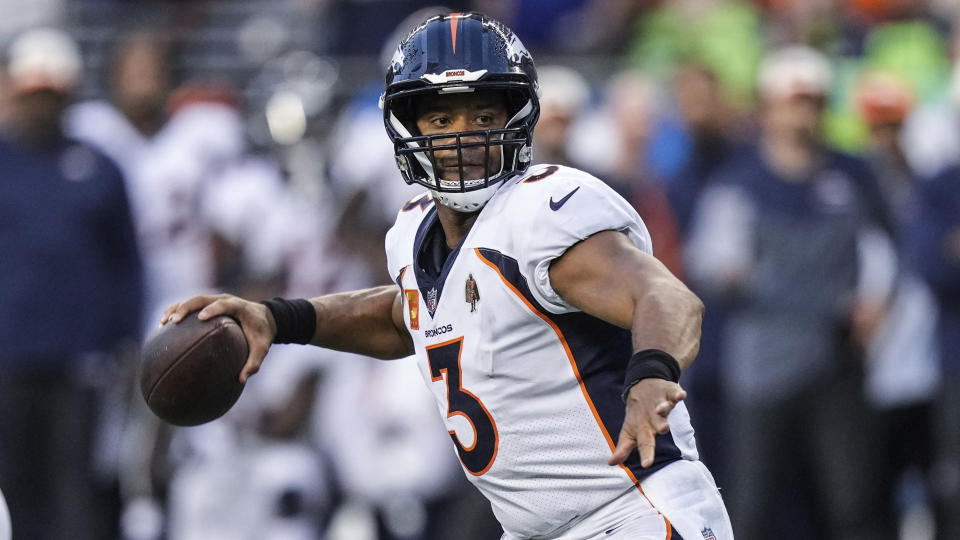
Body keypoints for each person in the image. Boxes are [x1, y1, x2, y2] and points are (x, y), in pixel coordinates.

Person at [162, 12, 732, 540]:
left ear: (518, 118)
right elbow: (403, 313)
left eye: (484, 116)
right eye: (441, 118)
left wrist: (653, 374)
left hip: (634, 514)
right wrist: (278, 318)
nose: (465, 137)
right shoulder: (414, 233)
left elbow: (664, 295)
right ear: (406, 128)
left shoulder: (542, 210)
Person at [685, 45, 893, 540]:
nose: (804, 112)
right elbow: (716, 265)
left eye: (814, 101)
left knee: (855, 503)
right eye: (794, 100)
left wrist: (877, 304)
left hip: (837, 360)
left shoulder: (852, 173)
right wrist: (803, 292)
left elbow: (884, 250)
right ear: (769, 107)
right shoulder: (740, 180)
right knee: (753, 502)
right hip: (763, 365)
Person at [0, 27, 144, 540]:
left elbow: (127, 263)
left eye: (50, 94)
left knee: (75, 488)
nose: (40, 106)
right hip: (8, 357)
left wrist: (126, 342)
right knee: (11, 488)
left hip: (80, 359)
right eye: (31, 93)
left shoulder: (99, 168)